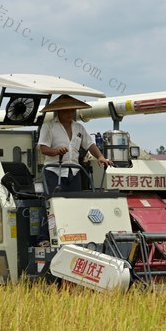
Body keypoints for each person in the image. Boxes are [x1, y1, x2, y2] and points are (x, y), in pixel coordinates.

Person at [36, 94, 112, 244]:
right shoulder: (49, 127)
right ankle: (44, 238)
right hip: (53, 171)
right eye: (66, 110)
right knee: (51, 204)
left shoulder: (79, 128)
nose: (70, 113)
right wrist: (57, 151)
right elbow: (43, 148)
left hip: (75, 172)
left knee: (75, 204)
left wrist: (100, 157)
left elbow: (90, 144)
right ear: (58, 111)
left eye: (72, 110)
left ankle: (72, 236)